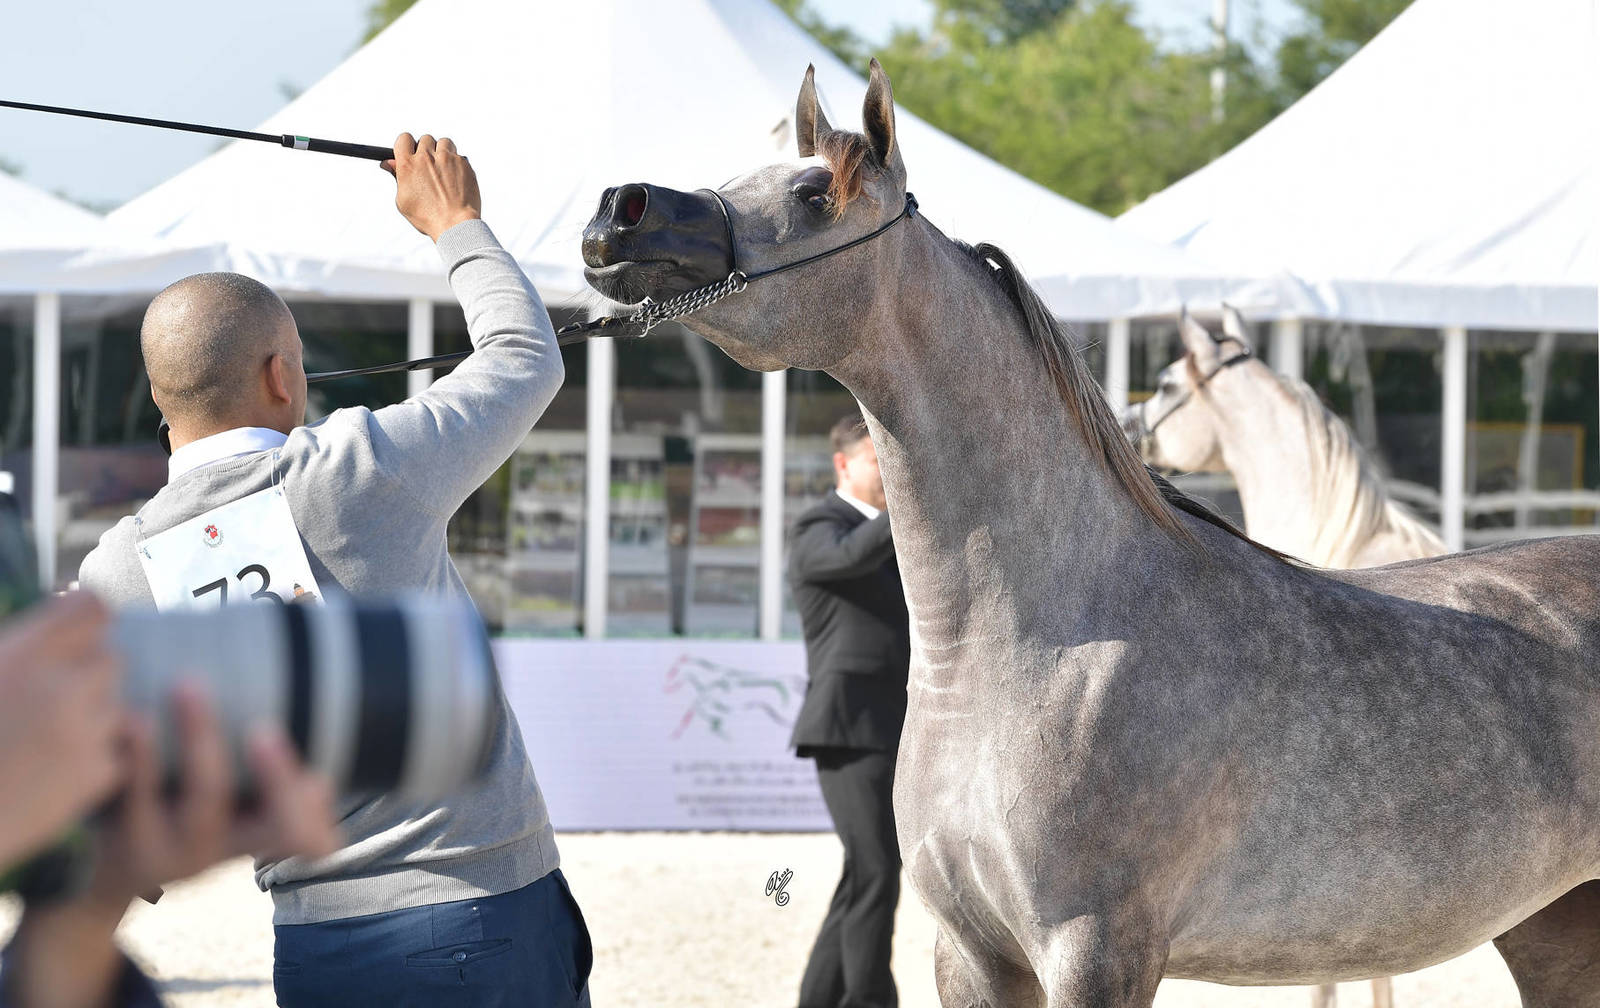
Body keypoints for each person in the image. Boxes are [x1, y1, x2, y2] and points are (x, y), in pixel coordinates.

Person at [76, 134, 591, 1007]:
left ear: (165, 406)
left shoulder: (116, 571)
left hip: (314, 946)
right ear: (283, 376)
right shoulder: (354, 470)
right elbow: (521, 357)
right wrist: (455, 223)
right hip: (477, 910)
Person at [787, 412, 910, 1008]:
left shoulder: (893, 534)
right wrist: (907, 504)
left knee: (865, 874)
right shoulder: (819, 524)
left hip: (899, 725)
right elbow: (841, 560)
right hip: (846, 727)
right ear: (843, 464)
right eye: (876, 459)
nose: (888, 472)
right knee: (876, 871)